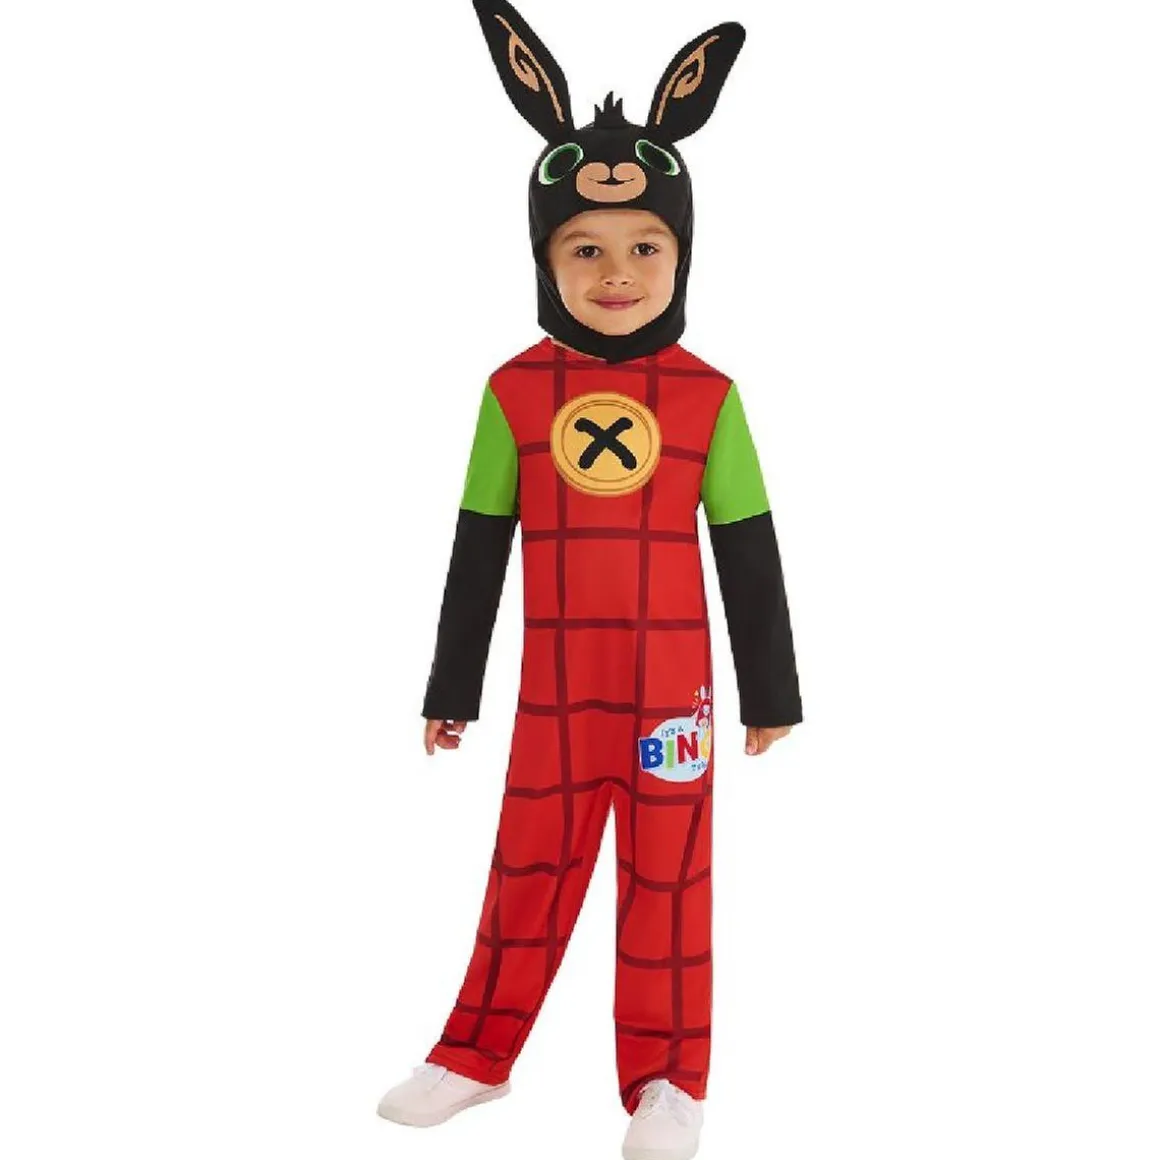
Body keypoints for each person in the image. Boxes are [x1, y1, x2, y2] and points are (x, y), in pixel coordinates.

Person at [378, 4, 801, 1158]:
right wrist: (450, 688)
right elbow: (477, 548)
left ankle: (668, 1080)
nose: (615, 273)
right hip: (554, 695)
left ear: (680, 255)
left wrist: (769, 693)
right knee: (527, 865)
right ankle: (475, 1054)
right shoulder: (511, 392)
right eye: (584, 248)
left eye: (643, 247)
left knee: (669, 877)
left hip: (673, 697)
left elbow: (748, 547)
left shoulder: (709, 397)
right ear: (544, 258)